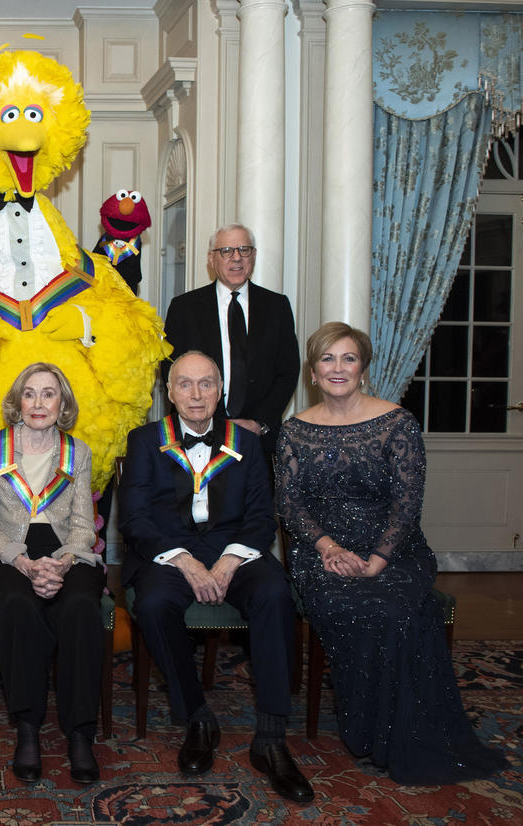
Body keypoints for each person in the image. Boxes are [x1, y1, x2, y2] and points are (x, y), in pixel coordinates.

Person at [275, 322, 507, 785]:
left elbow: (408, 501)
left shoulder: (397, 422)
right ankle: (371, 732)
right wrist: (329, 547)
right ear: (313, 372)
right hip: (321, 552)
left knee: (399, 610)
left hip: (396, 550)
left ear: (363, 367)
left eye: (348, 358)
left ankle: (401, 733)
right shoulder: (294, 431)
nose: (337, 368)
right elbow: (289, 503)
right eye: (327, 359)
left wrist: (378, 560)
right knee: (361, 609)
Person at [118, 350, 313, 803]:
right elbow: (135, 518)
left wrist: (228, 562)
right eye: (184, 384)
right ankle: (198, 718)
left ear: (220, 389)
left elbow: (263, 517)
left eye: (206, 383)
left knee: (274, 594)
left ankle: (270, 737)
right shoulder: (146, 440)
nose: (196, 394)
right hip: (170, 552)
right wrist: (185, 562)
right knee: (152, 605)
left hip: (233, 550)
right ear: (168, 392)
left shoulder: (244, 442)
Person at [0, 363, 102, 785]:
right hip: (4, 552)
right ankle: (27, 728)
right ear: (17, 401)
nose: (39, 403)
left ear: (62, 403)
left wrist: (62, 561)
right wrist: (24, 562)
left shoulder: (77, 451)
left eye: (49, 394)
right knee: (18, 604)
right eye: (30, 393)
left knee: (81, 605)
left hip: (66, 551)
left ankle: (80, 734)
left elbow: (84, 524)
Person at [163, 224, 299, 455]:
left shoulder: (277, 306)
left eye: (244, 250)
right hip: (199, 435)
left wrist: (259, 422)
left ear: (253, 256)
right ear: (211, 259)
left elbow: (288, 372)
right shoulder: (184, 308)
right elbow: (171, 370)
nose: (236, 258)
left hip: (260, 440)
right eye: (226, 251)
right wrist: (206, 423)